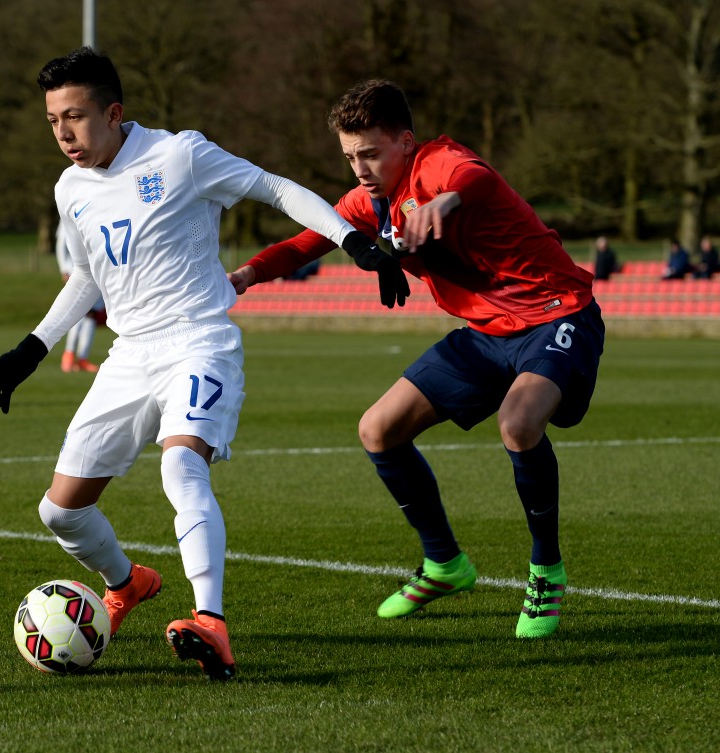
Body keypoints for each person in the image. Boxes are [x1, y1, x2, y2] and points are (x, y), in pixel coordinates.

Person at [0, 47, 381, 679]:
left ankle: (211, 623)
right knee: (60, 512)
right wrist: (30, 351)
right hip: (129, 354)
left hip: (198, 340)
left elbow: (273, 188)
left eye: (76, 117)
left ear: (114, 114)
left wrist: (350, 238)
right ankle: (127, 582)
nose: (63, 133)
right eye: (54, 120)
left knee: (180, 467)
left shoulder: (180, 155)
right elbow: (87, 276)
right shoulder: (70, 188)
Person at [229, 79, 605, 639]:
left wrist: (445, 203)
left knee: (519, 423)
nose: (359, 167)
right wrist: (241, 277)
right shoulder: (366, 201)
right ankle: (444, 564)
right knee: (378, 429)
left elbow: (472, 178)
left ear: (405, 141)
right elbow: (306, 242)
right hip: (484, 332)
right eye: (350, 156)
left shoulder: (438, 164)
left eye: (370, 153)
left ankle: (546, 571)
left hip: (558, 314)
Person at [55, 216, 104, 372]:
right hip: (76, 270)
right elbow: (61, 243)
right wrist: (64, 268)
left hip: (97, 269)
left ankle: (83, 358)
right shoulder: (70, 208)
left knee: (91, 315)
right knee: (79, 313)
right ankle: (68, 355)